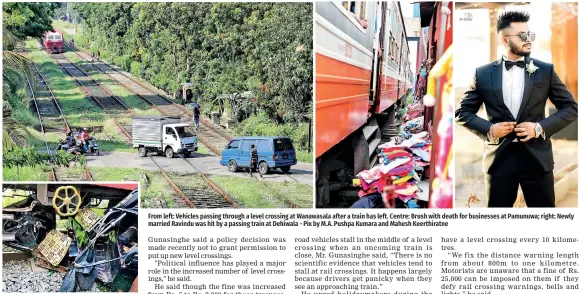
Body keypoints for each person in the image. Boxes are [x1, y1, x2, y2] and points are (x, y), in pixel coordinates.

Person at [455, 11, 578, 207]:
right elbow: (462, 112)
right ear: (505, 39)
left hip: (538, 160)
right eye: (522, 35)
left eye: (530, 34)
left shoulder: (545, 70)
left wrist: (539, 127)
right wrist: (489, 129)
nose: (528, 39)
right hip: (499, 162)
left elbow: (571, 108)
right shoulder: (483, 74)